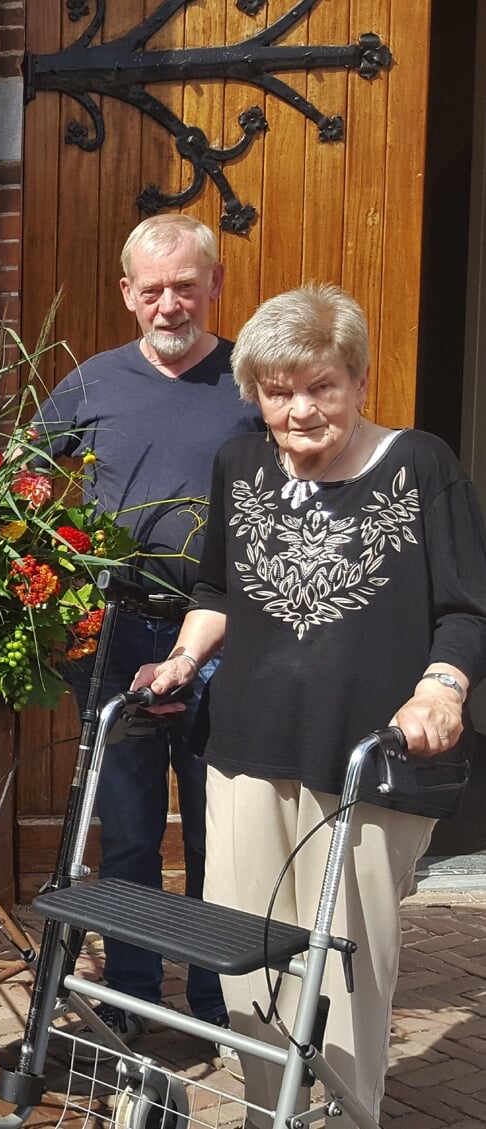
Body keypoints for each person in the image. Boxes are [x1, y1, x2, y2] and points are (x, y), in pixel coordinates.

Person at [142, 282, 485, 1127]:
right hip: (246, 750)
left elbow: (466, 608)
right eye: (278, 390)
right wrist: (183, 657)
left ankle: (350, 1114)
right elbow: (218, 588)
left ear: (358, 380)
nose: (299, 409)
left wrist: (442, 687)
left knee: (345, 967)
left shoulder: (420, 464)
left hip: (368, 756)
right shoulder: (240, 462)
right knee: (249, 964)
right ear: (257, 393)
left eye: (320, 385)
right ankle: (272, 1116)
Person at [34, 213, 263, 1041]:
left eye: (186, 285)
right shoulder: (90, 384)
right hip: (119, 639)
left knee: (219, 832)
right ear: (128, 295)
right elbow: (19, 490)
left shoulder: (253, 381)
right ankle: (134, 995)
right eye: (154, 289)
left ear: (216, 285)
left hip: (231, 641)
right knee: (128, 829)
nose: (171, 305)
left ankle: (213, 999)